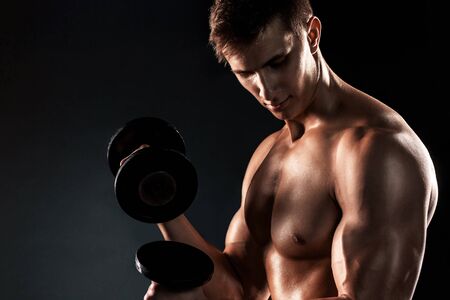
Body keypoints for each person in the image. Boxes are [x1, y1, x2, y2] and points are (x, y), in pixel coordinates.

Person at [143, 0, 438, 299]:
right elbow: (241, 286)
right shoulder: (270, 153)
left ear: (311, 35)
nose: (266, 90)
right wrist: (161, 205)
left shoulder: (378, 150)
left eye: (277, 62)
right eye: (246, 73)